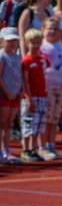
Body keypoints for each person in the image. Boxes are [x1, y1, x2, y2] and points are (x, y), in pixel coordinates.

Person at [39, 18, 62, 160]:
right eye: (50, 28)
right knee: (45, 118)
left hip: (60, 88)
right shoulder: (41, 46)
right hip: (46, 88)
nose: (53, 32)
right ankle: (42, 147)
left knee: (54, 119)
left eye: (55, 29)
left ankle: (51, 145)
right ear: (43, 29)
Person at [20, 28, 49, 162]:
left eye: (38, 42)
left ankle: (33, 148)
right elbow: (25, 81)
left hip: (42, 96)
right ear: (27, 43)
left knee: (38, 125)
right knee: (28, 123)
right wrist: (29, 98)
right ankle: (25, 150)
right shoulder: (26, 60)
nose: (36, 45)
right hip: (30, 98)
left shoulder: (42, 59)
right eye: (33, 42)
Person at [0, 27, 22, 163]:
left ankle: (6, 150)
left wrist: (20, 91)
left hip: (15, 95)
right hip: (4, 95)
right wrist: (7, 92)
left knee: (8, 124)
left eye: (14, 41)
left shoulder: (17, 56)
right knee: (2, 124)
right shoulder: (2, 56)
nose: (12, 44)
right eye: (9, 41)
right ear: (2, 41)